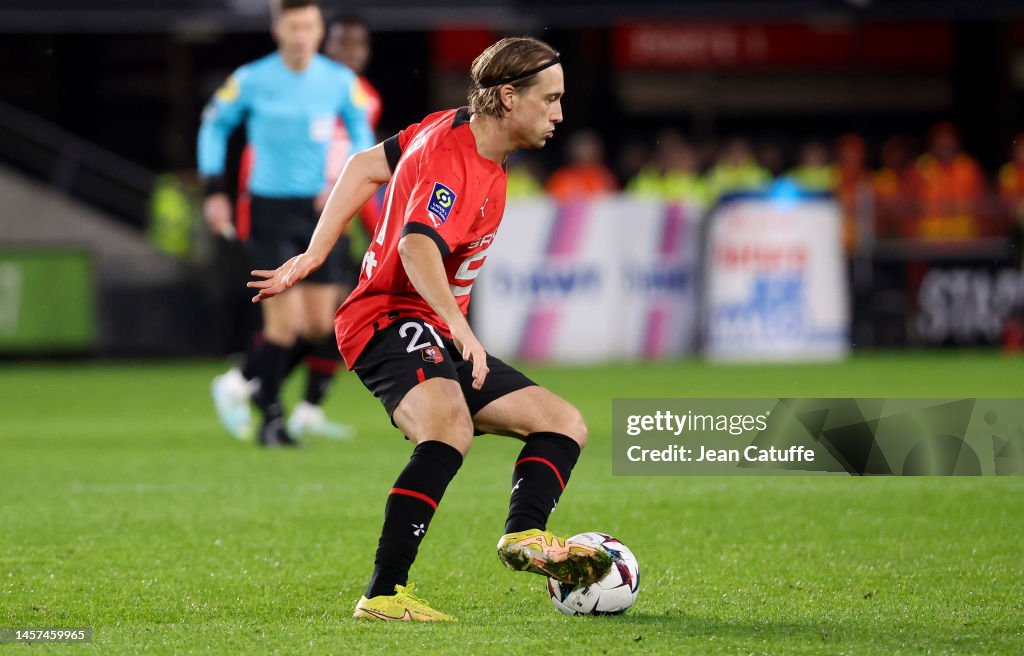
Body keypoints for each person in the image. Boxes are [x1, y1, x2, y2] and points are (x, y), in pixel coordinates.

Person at [249, 36, 612, 621]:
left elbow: (364, 166)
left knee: (563, 424)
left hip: (427, 321)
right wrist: (461, 330)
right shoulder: (457, 160)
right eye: (550, 99)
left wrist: (316, 254)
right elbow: (417, 249)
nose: (559, 114)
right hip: (386, 316)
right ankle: (383, 594)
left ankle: (525, 536)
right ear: (507, 97)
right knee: (448, 429)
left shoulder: (451, 127)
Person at [199, 0, 374, 447]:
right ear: (278, 29)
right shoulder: (252, 79)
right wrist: (214, 189)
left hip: (321, 211)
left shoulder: (339, 81)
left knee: (321, 325)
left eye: (309, 27)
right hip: (270, 210)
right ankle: (271, 418)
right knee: (284, 324)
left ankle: (242, 383)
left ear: (319, 31)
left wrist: (341, 179)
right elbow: (214, 126)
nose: (301, 36)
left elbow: (362, 134)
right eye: (293, 27)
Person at [545, 129, 617, 201]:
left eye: (589, 147)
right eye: (581, 147)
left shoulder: (605, 177)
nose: (585, 151)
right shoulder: (560, 177)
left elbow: (613, 204)